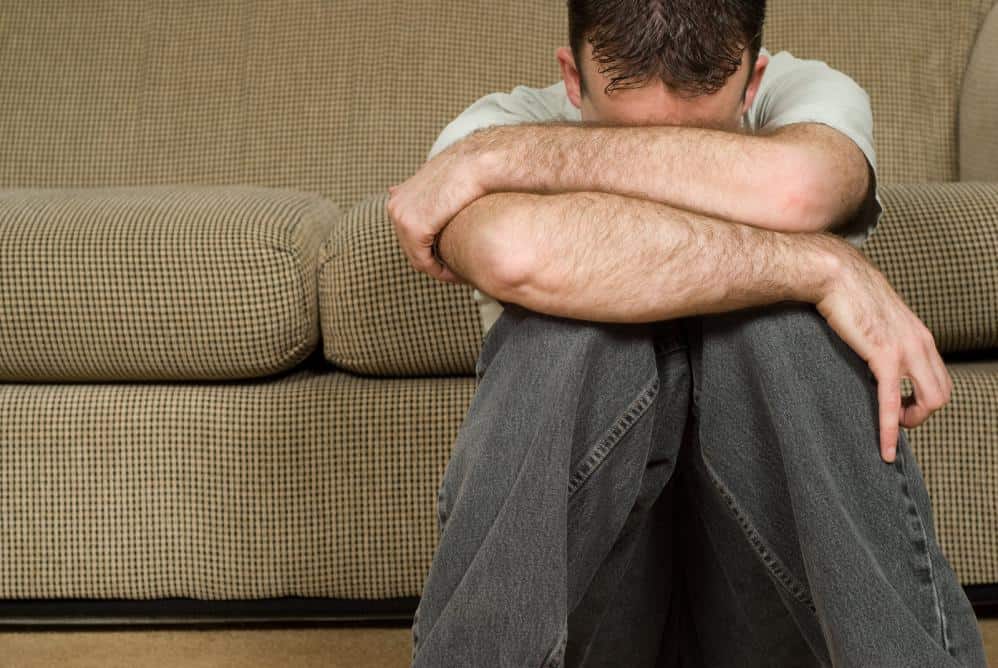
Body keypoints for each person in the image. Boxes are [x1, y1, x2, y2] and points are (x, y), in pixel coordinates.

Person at [388, 1, 989, 665]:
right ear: (571, 77)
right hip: (597, 618)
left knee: (778, 328)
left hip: (767, 614)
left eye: (698, 136)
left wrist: (522, 167)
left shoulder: (809, 93)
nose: (660, 154)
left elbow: (799, 188)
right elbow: (509, 250)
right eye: (631, 134)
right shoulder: (493, 128)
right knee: (567, 333)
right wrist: (817, 263)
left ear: (754, 81)